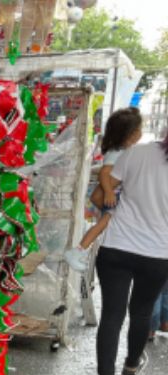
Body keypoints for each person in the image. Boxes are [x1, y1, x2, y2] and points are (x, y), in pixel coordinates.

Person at [93, 127, 168, 375]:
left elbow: (105, 190)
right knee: (141, 312)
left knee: (111, 316)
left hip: (118, 246)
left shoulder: (135, 153)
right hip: (158, 253)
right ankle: (131, 366)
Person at [65, 108, 143, 272]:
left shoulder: (122, 151)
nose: (140, 133)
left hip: (114, 196)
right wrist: (108, 192)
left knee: (104, 226)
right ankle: (78, 251)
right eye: (138, 130)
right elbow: (104, 173)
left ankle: (81, 251)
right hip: (113, 197)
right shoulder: (118, 153)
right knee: (102, 225)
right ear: (129, 134)